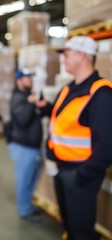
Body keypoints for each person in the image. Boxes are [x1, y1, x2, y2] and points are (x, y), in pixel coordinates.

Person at [35, 36, 112, 240]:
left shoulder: (101, 94)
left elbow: (106, 147)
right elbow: (63, 117)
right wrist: (46, 108)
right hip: (62, 169)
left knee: (81, 232)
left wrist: (81, 177)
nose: (63, 59)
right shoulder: (70, 88)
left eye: (67, 54)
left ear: (83, 56)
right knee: (69, 225)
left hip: (80, 174)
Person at [8, 69, 43, 221]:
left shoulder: (27, 97)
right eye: (27, 78)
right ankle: (24, 210)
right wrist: (31, 103)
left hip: (32, 146)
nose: (31, 80)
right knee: (24, 180)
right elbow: (22, 119)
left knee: (31, 179)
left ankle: (27, 205)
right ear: (19, 80)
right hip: (23, 147)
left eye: (31, 77)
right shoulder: (18, 98)